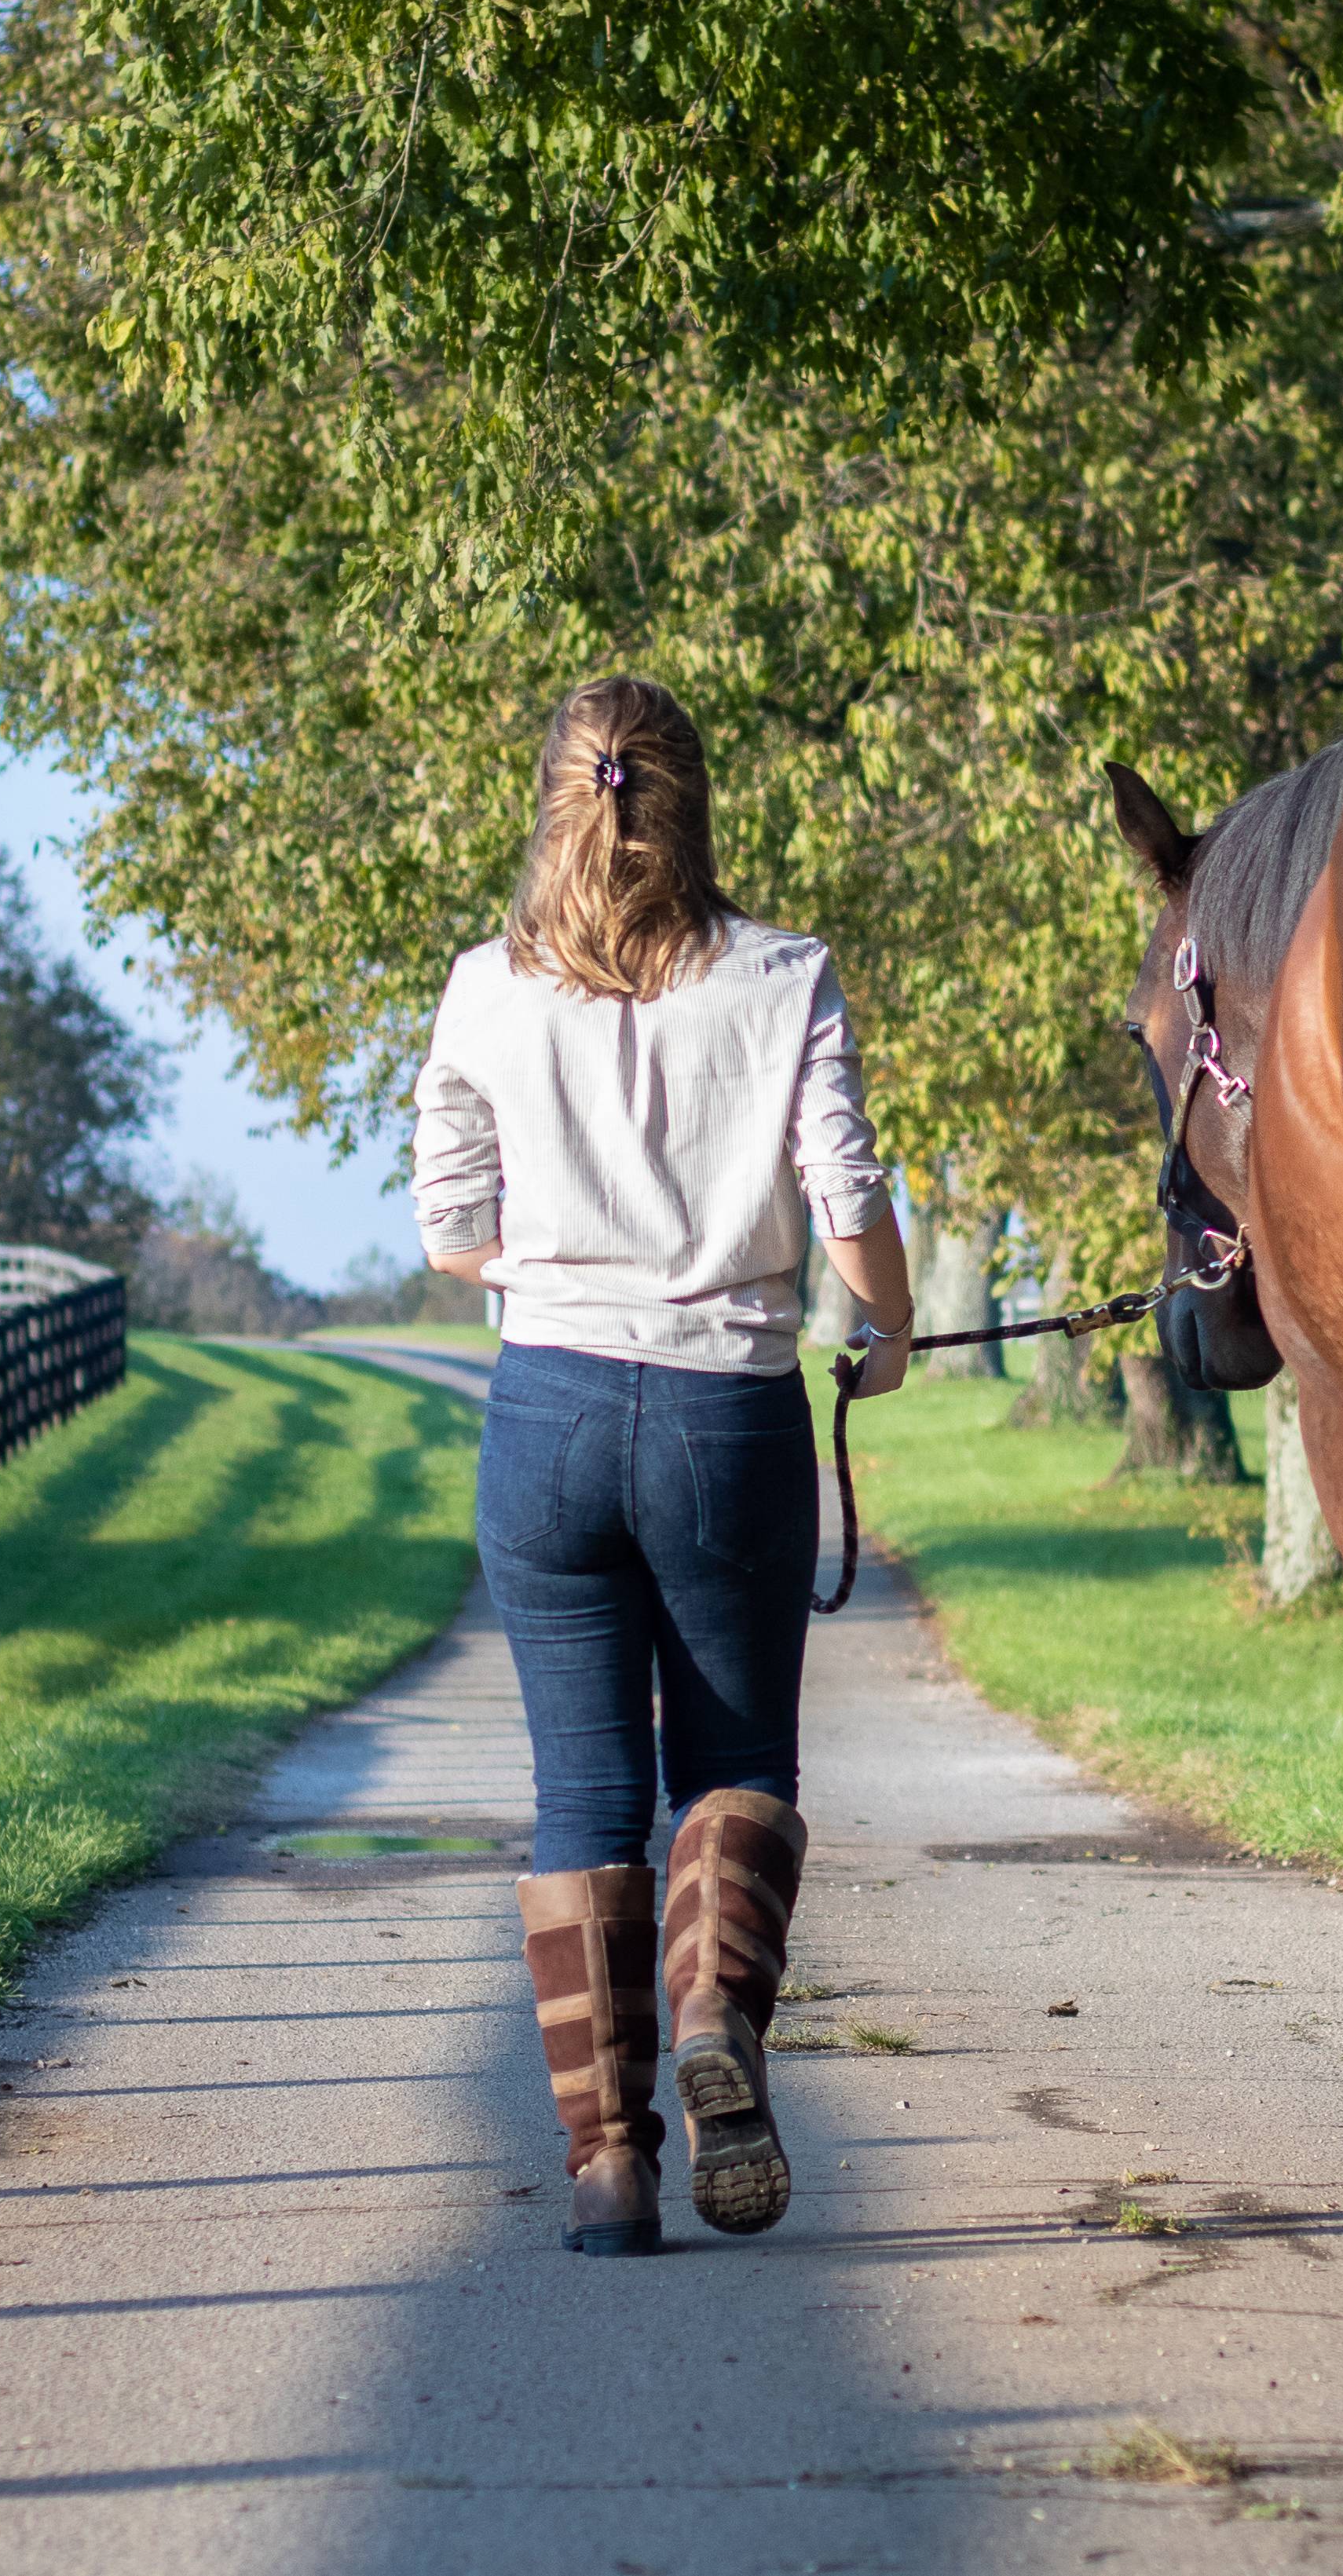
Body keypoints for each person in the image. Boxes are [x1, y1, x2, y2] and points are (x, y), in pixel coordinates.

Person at [411, 674, 912, 2259]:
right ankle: (713, 2000)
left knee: (581, 1795)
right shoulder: (785, 976)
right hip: (724, 1415)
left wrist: (559, 1269)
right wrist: (884, 1329)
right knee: (736, 1760)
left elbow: (448, 1227)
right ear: (691, 802)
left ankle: (609, 2170)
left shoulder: (484, 988)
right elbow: (843, 1191)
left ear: (559, 797)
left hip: (547, 1411)